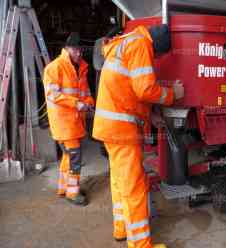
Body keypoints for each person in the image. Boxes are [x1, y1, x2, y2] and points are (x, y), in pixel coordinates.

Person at [92, 24, 184, 248]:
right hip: (122, 130)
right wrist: (173, 94)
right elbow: (144, 89)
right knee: (134, 186)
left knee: (119, 181)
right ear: (157, 47)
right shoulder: (142, 45)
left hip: (110, 126)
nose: (156, 59)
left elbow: (129, 91)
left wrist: (150, 117)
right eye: (158, 56)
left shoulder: (125, 42)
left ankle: (122, 228)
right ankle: (141, 244)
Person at [43, 32, 94, 206]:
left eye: (80, 50)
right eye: (75, 49)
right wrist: (77, 104)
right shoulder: (55, 67)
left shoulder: (81, 68)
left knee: (68, 156)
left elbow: (85, 92)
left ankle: (64, 188)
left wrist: (88, 102)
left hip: (74, 122)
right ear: (66, 49)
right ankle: (73, 193)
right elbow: (53, 95)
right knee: (75, 158)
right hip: (64, 123)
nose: (79, 53)